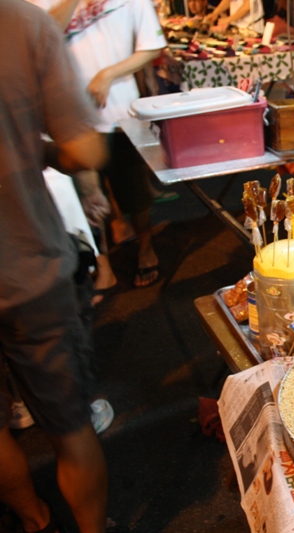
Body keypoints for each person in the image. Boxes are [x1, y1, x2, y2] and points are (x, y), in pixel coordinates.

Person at [0, 1, 110, 532]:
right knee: (69, 426)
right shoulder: (21, 25)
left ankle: (33, 517)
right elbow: (84, 148)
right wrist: (38, 149)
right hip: (25, 268)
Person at [34, 0, 168, 288]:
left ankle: (146, 248)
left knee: (135, 193)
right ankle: (102, 264)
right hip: (67, 118)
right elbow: (41, 37)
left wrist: (109, 74)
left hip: (120, 113)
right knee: (88, 198)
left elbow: (152, 45)